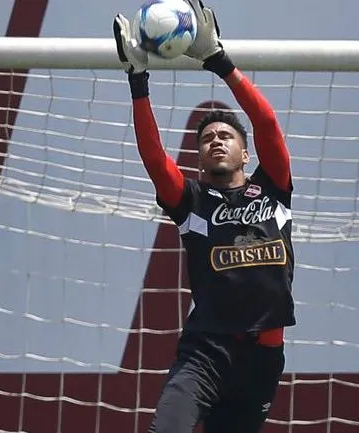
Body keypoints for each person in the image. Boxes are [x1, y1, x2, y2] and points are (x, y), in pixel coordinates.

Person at [113, 1, 296, 432]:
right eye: (206, 138)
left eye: (226, 135)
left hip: (263, 357)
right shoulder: (191, 200)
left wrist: (221, 63)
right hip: (205, 353)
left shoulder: (274, 188)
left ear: (245, 152)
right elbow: (156, 160)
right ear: (197, 158)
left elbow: (267, 123)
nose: (215, 140)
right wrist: (138, 81)